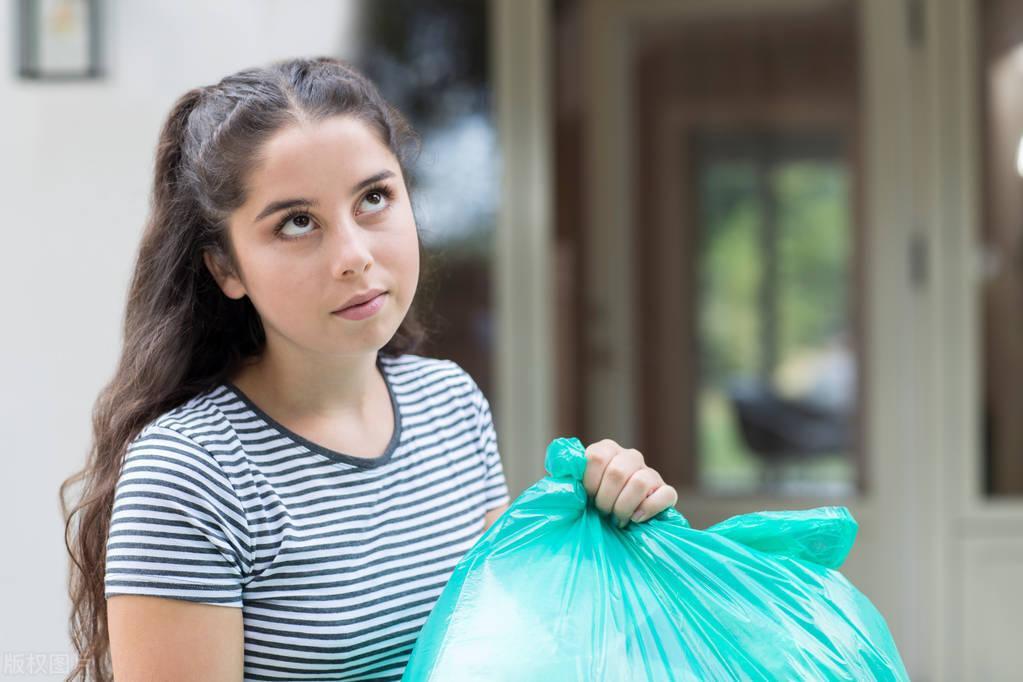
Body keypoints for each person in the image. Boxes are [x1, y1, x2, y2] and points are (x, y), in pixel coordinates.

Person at [60, 56, 678, 682]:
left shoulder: (451, 404)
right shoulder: (192, 472)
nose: (354, 256)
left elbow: (515, 646)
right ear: (226, 268)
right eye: (297, 223)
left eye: (374, 198)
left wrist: (603, 529)